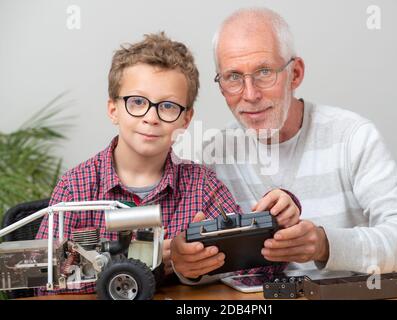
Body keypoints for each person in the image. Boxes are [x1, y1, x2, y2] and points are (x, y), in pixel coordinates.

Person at [171, 7, 397, 279]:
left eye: (264, 72)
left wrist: (323, 244)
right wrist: (186, 266)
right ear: (221, 86)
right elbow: (212, 271)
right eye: (233, 77)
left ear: (295, 74)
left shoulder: (353, 137)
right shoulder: (214, 155)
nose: (250, 94)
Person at [35, 32, 300, 294]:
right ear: (113, 109)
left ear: (186, 119)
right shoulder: (75, 188)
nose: (151, 117)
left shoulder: (203, 188)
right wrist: (153, 265)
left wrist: (278, 224)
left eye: (169, 106)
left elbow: (253, 275)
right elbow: (40, 285)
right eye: (137, 102)